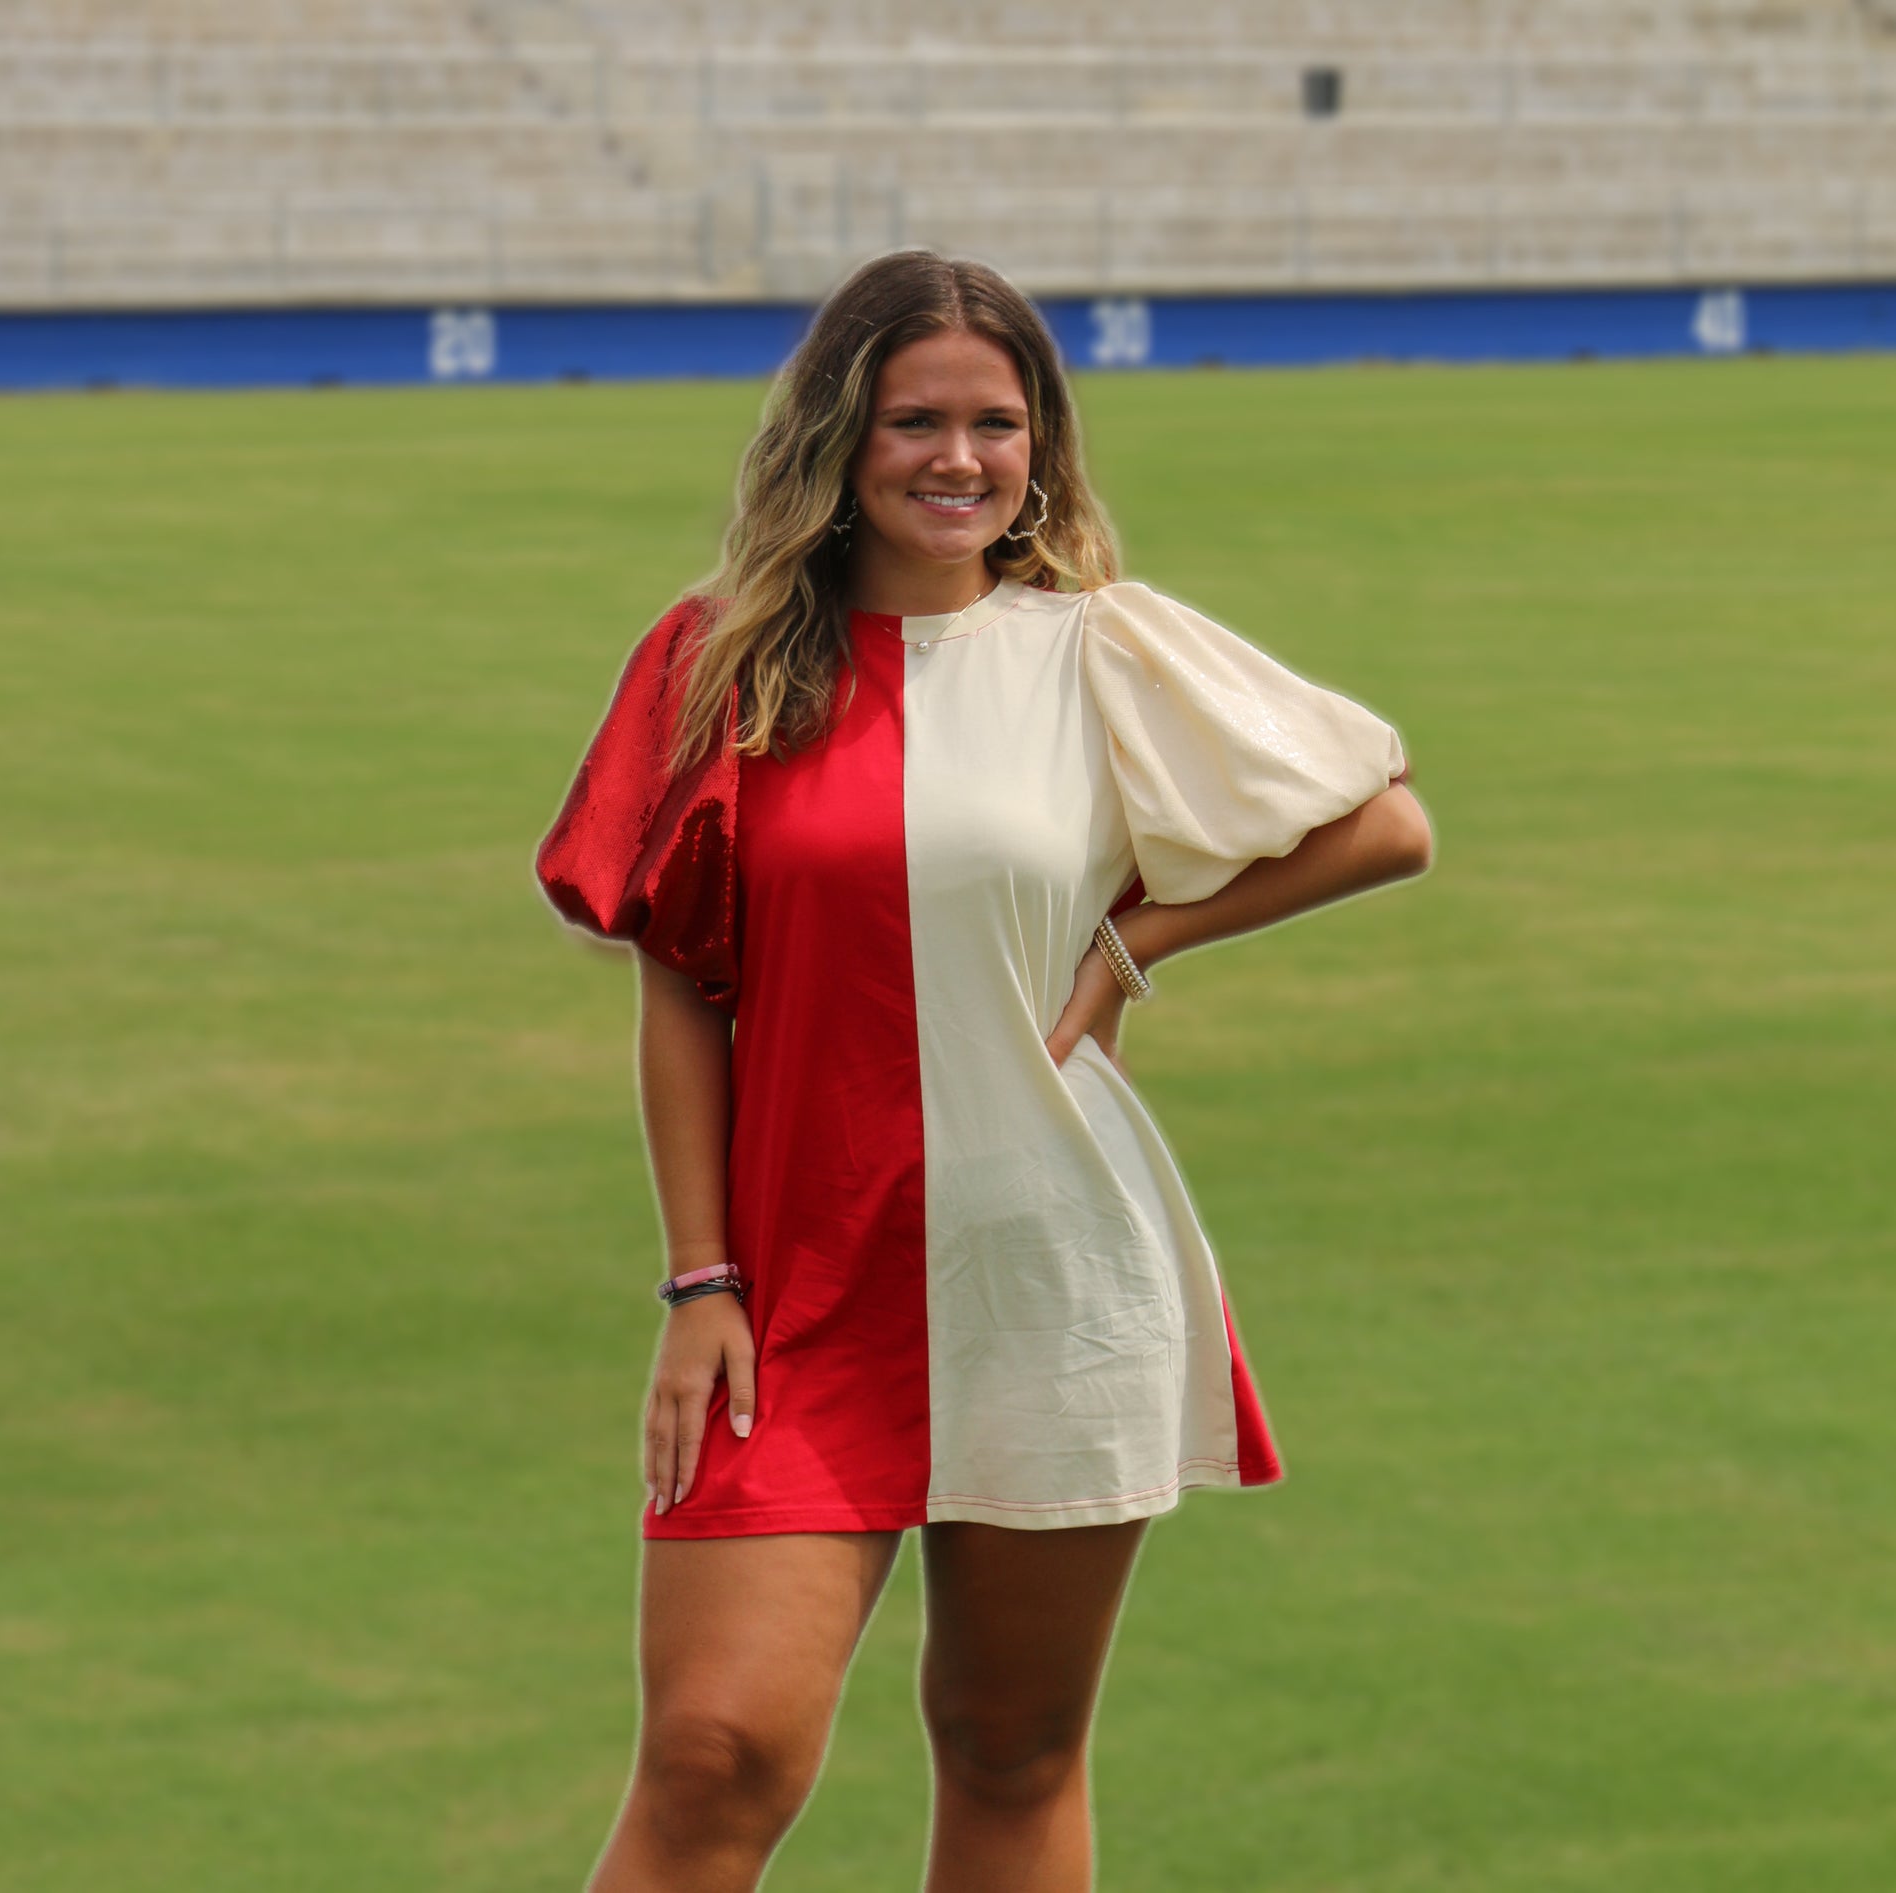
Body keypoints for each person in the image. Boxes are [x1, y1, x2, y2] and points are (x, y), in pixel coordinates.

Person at [535, 249, 1433, 1893]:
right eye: (914, 421)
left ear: (1040, 446)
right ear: (837, 435)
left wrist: (1136, 942)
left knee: (1011, 1747)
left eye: (995, 424)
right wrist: (698, 1277)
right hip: (790, 1288)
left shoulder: (1101, 650)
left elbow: (1385, 821)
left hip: (1048, 1266)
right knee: (714, 1751)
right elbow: (678, 983)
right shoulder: (714, 661)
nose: (957, 458)